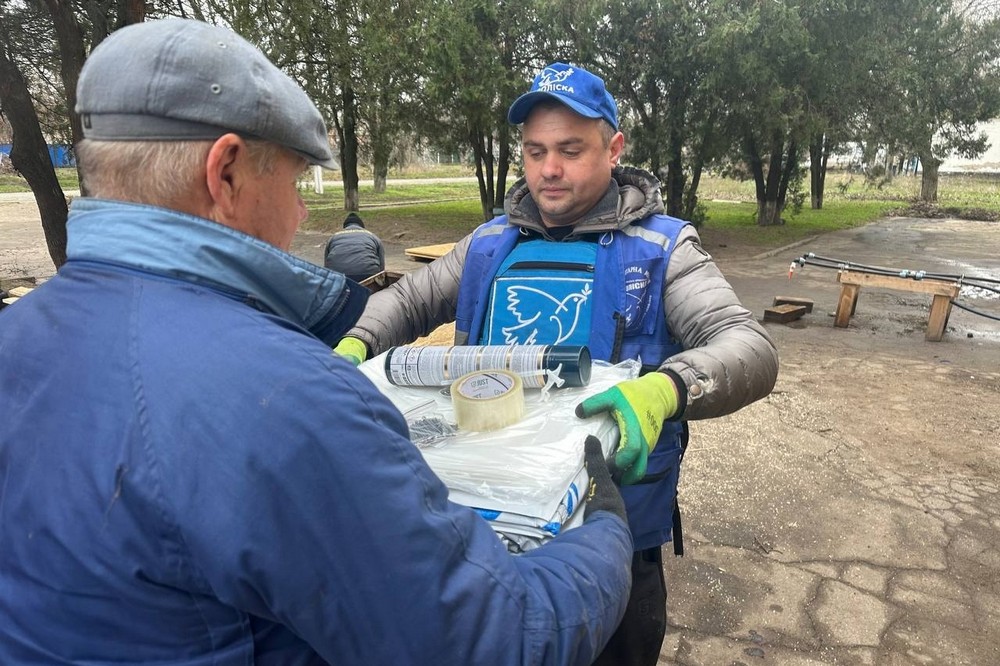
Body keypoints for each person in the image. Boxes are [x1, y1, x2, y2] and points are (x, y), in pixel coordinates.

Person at [0, 26, 635, 665]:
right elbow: (493, 641)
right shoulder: (288, 399)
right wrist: (602, 534)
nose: (303, 215)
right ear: (224, 173)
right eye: (296, 182)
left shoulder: (14, 337)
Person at [334, 62, 780, 665]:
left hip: (612, 529)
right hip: (486, 517)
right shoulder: (489, 244)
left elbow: (747, 346)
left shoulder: (663, 251)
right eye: (535, 150)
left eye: (571, 150)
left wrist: (666, 390)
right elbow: (408, 299)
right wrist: (357, 341)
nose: (548, 169)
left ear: (614, 148)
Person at [323, 211, 385, 282]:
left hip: (339, 276)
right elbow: (382, 268)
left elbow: (326, 267)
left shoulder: (333, 237)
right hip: (368, 273)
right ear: (361, 226)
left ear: (345, 227)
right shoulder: (373, 236)